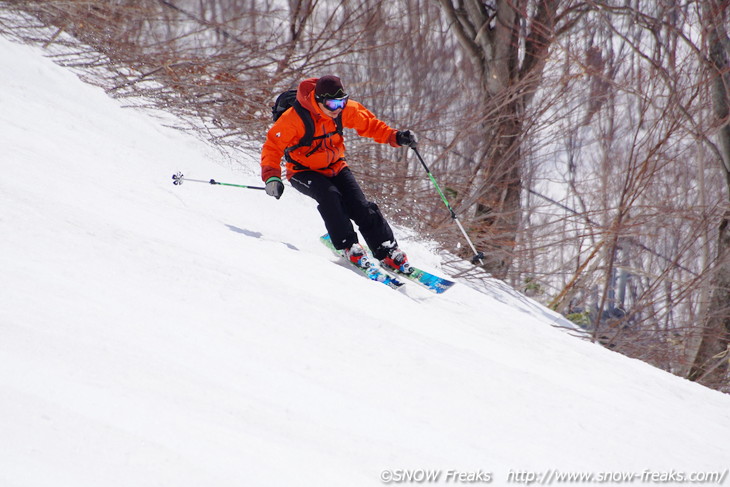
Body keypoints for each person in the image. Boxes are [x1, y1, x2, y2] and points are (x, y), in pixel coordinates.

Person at [261, 75, 418, 272]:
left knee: (360, 205)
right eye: (332, 104)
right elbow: (272, 147)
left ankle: (386, 249)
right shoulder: (294, 119)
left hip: (336, 165)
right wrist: (272, 176)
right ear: (318, 101)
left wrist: (395, 137)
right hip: (303, 171)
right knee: (331, 198)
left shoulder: (344, 110)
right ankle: (349, 245)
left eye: (341, 102)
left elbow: (370, 125)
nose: (338, 108)